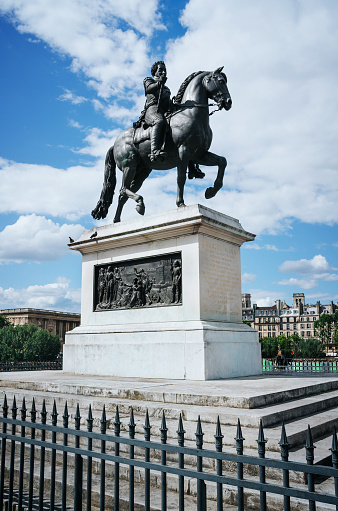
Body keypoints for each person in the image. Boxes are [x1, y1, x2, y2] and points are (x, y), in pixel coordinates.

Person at [143, 61, 171, 162]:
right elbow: (149, 89)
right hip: (152, 110)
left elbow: (168, 103)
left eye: (165, 70)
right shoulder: (148, 80)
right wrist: (159, 83)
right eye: (160, 70)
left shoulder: (167, 89)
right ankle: (154, 151)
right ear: (155, 72)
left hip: (164, 111)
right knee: (159, 121)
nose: (163, 72)